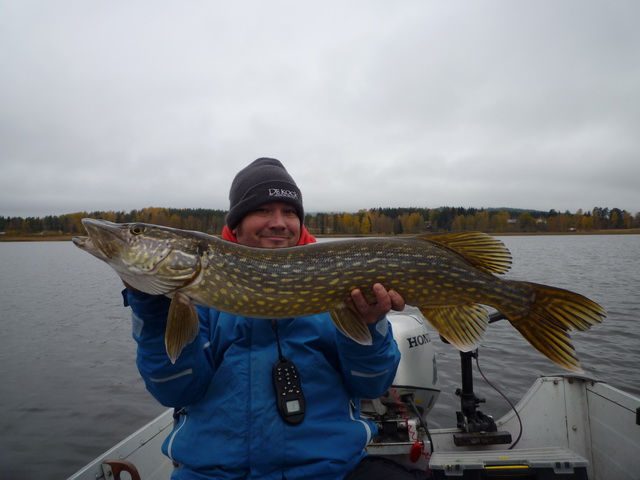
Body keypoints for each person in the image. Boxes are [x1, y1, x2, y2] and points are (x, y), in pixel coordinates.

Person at [123, 158, 428, 479]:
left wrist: (368, 326)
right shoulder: (197, 299)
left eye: (290, 212)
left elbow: (372, 385)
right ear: (236, 225)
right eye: (262, 210)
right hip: (216, 474)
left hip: (328, 471)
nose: (279, 222)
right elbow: (176, 393)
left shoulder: (340, 287)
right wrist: (150, 304)